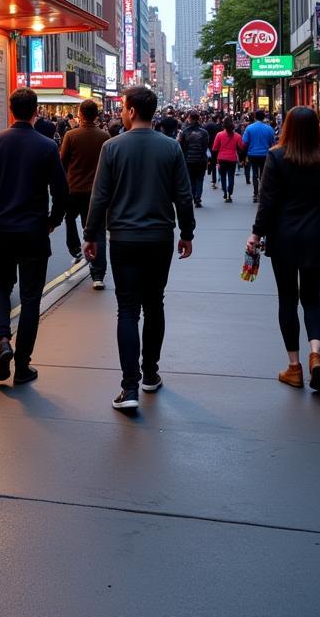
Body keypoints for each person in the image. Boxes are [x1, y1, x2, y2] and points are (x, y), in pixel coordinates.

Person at [83, 85, 195, 411]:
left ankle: (129, 387)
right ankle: (150, 374)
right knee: (154, 304)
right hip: (160, 237)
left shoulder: (112, 147)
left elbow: (100, 196)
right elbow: (183, 195)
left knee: (128, 309)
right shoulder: (171, 148)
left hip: (123, 238)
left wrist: (91, 233)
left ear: (131, 111)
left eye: (122, 107)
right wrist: (187, 231)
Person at [247, 107, 320, 391]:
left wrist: (256, 234)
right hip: (319, 236)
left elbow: (268, 203)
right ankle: (316, 354)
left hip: (284, 237)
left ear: (287, 128)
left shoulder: (277, 156)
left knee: (287, 299)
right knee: (312, 298)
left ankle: (294, 367)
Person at [0, 87, 68, 386]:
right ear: (36, 110)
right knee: (30, 299)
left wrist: (1, 186)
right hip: (35, 231)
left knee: (0, 288)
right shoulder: (47, 146)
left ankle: (3, 341)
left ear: (10, 110)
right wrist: (53, 221)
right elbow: (61, 192)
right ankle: (23, 366)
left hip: (2, 230)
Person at [60, 98, 110, 288]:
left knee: (69, 218)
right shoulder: (105, 137)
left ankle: (75, 250)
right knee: (97, 231)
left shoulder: (71, 136)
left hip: (73, 189)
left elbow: (62, 163)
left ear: (80, 114)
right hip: (96, 193)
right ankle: (98, 275)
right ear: (96, 116)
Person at [242, 108, 276, 202]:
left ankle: (255, 193)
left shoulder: (249, 128)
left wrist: (244, 154)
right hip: (265, 154)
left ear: (255, 117)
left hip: (253, 154)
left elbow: (244, 143)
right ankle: (262, 192)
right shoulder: (269, 128)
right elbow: (273, 143)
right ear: (264, 117)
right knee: (263, 174)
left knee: (254, 174)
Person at [178, 110, 210, 207]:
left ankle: (193, 195)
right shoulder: (204, 132)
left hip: (189, 159)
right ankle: (198, 197)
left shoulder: (185, 132)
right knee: (200, 179)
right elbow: (205, 146)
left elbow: (182, 147)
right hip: (201, 159)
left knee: (191, 179)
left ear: (190, 119)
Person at [212, 117, 244, 202]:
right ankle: (230, 194)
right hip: (232, 158)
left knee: (223, 176)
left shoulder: (219, 135)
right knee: (231, 176)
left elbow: (214, 148)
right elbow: (241, 147)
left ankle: (225, 193)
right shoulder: (237, 136)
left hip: (221, 158)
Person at [203, 113, 222, 188]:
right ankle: (220, 177)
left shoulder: (207, 125)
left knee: (212, 163)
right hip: (218, 146)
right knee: (219, 162)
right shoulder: (219, 127)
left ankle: (213, 180)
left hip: (210, 146)